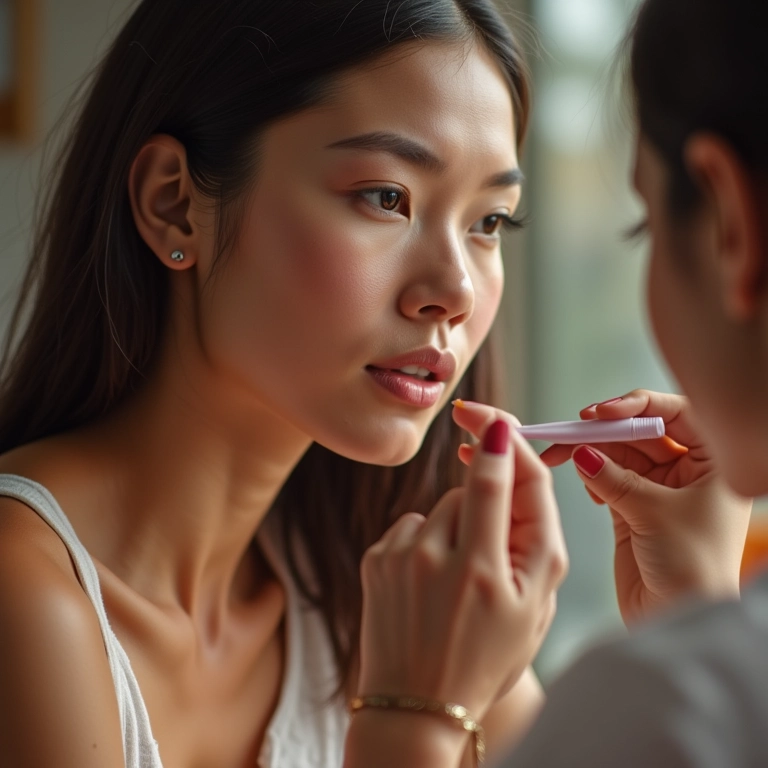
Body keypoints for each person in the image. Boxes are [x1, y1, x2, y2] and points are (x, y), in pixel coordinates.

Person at [0, 2, 570, 767]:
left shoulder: (372, 599)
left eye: (490, 221)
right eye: (386, 196)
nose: (456, 291)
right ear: (174, 203)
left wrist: (685, 601)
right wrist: (418, 726)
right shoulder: (23, 597)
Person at [496, 0, 768, 764]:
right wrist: (696, 615)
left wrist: (408, 711)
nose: (450, 289)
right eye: (385, 198)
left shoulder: (657, 708)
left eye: (642, 224)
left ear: (730, 224)